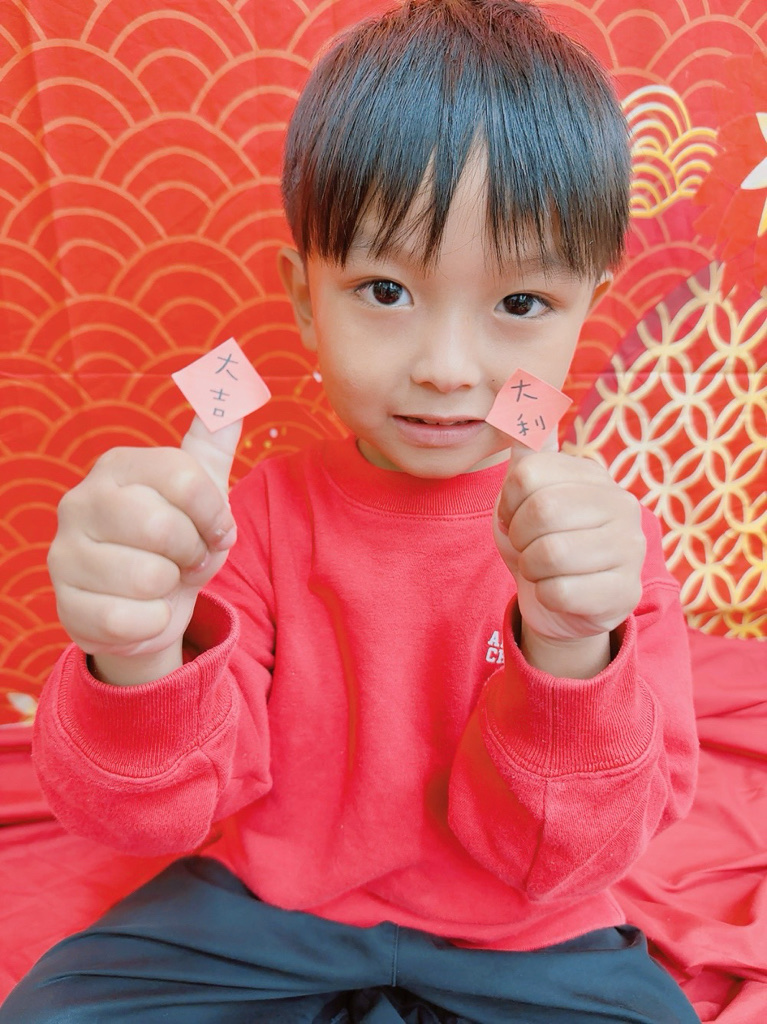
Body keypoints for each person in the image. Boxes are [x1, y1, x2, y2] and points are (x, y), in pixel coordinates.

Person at [1, 1, 701, 1021]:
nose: (446, 368)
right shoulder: (251, 520)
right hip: (270, 908)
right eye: (383, 289)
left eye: (519, 305)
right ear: (302, 297)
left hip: (525, 928)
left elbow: (584, 846)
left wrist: (569, 651)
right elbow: (150, 811)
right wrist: (136, 653)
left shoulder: (605, 549)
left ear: (585, 309)